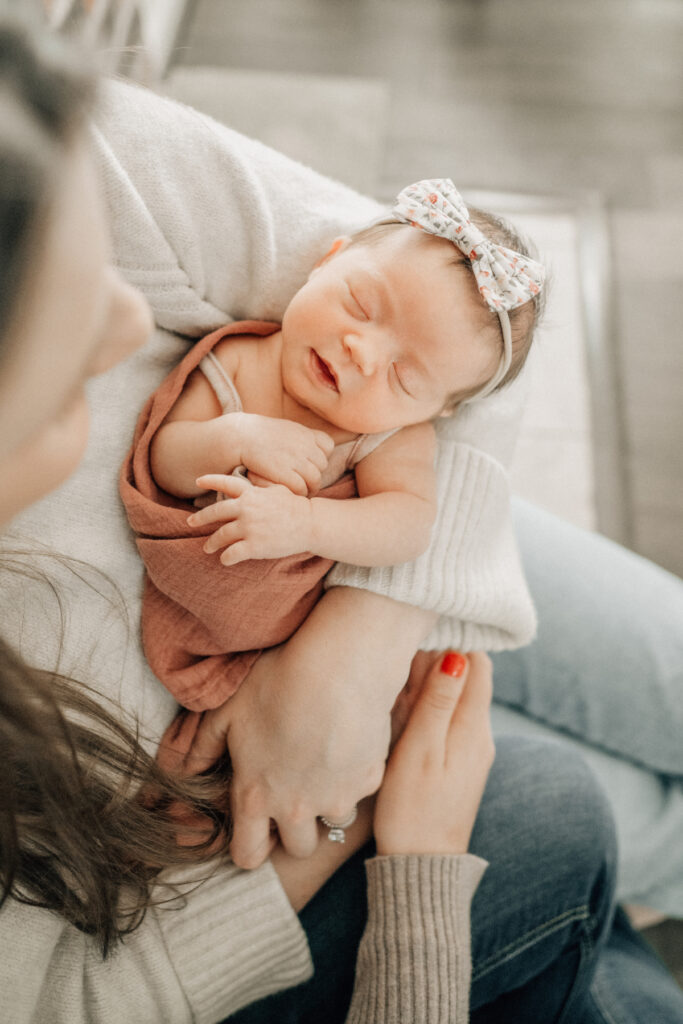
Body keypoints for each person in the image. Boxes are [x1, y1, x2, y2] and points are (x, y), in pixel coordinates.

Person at [1, 15, 683, 1024]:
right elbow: (78, 995)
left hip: (373, 556)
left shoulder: (40, 139)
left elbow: (460, 318)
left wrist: (345, 656)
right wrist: (357, 831)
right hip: (238, 765)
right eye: (52, 347)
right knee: (582, 810)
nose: (135, 322)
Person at [119, 179, 545, 770]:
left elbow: (405, 527)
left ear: (437, 412)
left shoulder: (389, 437)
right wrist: (234, 436)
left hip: (298, 646)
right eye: (360, 306)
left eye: (405, 379)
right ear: (327, 261)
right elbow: (164, 458)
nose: (362, 352)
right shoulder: (239, 361)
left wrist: (306, 521)